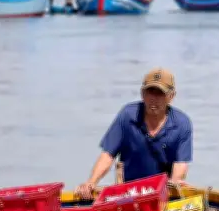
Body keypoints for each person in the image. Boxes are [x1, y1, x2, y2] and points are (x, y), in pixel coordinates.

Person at [75, 68, 192, 199]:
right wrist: (91, 182)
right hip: (127, 194)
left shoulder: (182, 124)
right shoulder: (127, 115)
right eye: (150, 92)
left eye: (160, 93)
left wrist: (175, 183)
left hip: (162, 193)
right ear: (142, 94)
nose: (154, 98)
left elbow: (181, 163)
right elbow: (108, 154)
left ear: (171, 96)